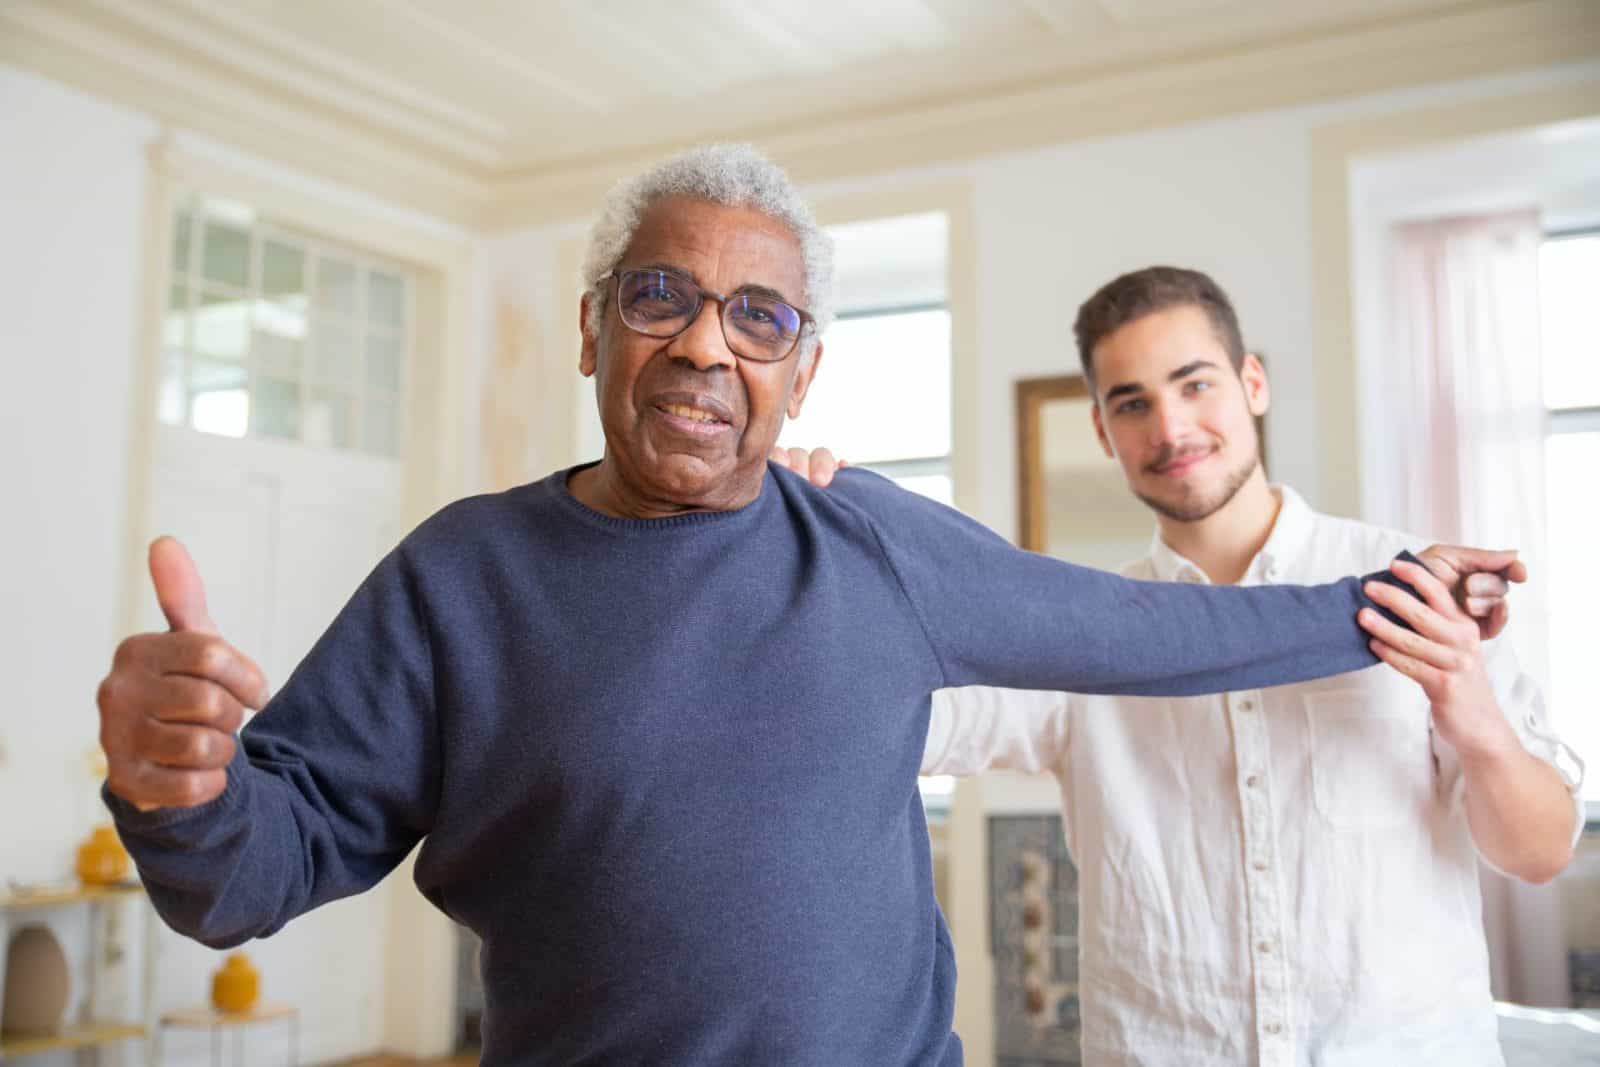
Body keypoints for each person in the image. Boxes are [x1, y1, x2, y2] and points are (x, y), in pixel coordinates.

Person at [97, 148, 1516, 1066]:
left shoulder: (872, 547)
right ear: (594, 327)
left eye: (758, 316)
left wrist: (1394, 597)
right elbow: (250, 869)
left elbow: (1149, 630)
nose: (708, 342)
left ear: (804, 369)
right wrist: (178, 785)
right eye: (662, 296)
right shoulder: (459, 577)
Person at [779, 266, 1583, 1066]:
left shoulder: (1413, 594)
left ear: (1253, 383)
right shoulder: (1068, 637)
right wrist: (784, 547)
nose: (1170, 427)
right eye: (1132, 403)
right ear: (1102, 430)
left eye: (1194, 385)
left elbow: (1540, 853)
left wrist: (1472, 716)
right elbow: (883, 712)